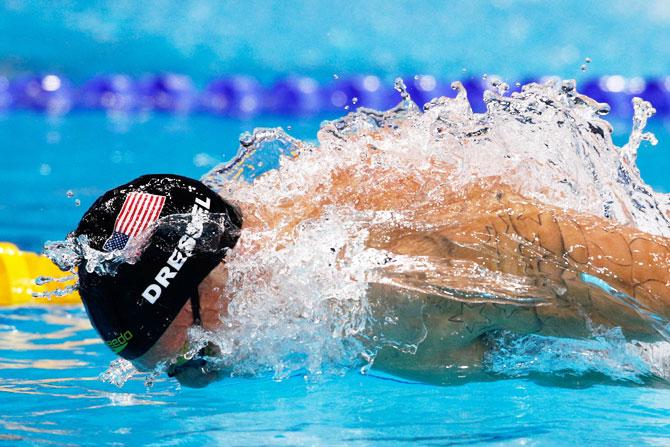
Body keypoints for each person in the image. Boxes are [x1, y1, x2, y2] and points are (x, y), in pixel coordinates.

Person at [74, 166, 670, 388]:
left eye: (196, 361)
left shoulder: (396, 294)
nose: (199, 383)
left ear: (208, 285)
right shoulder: (294, 203)